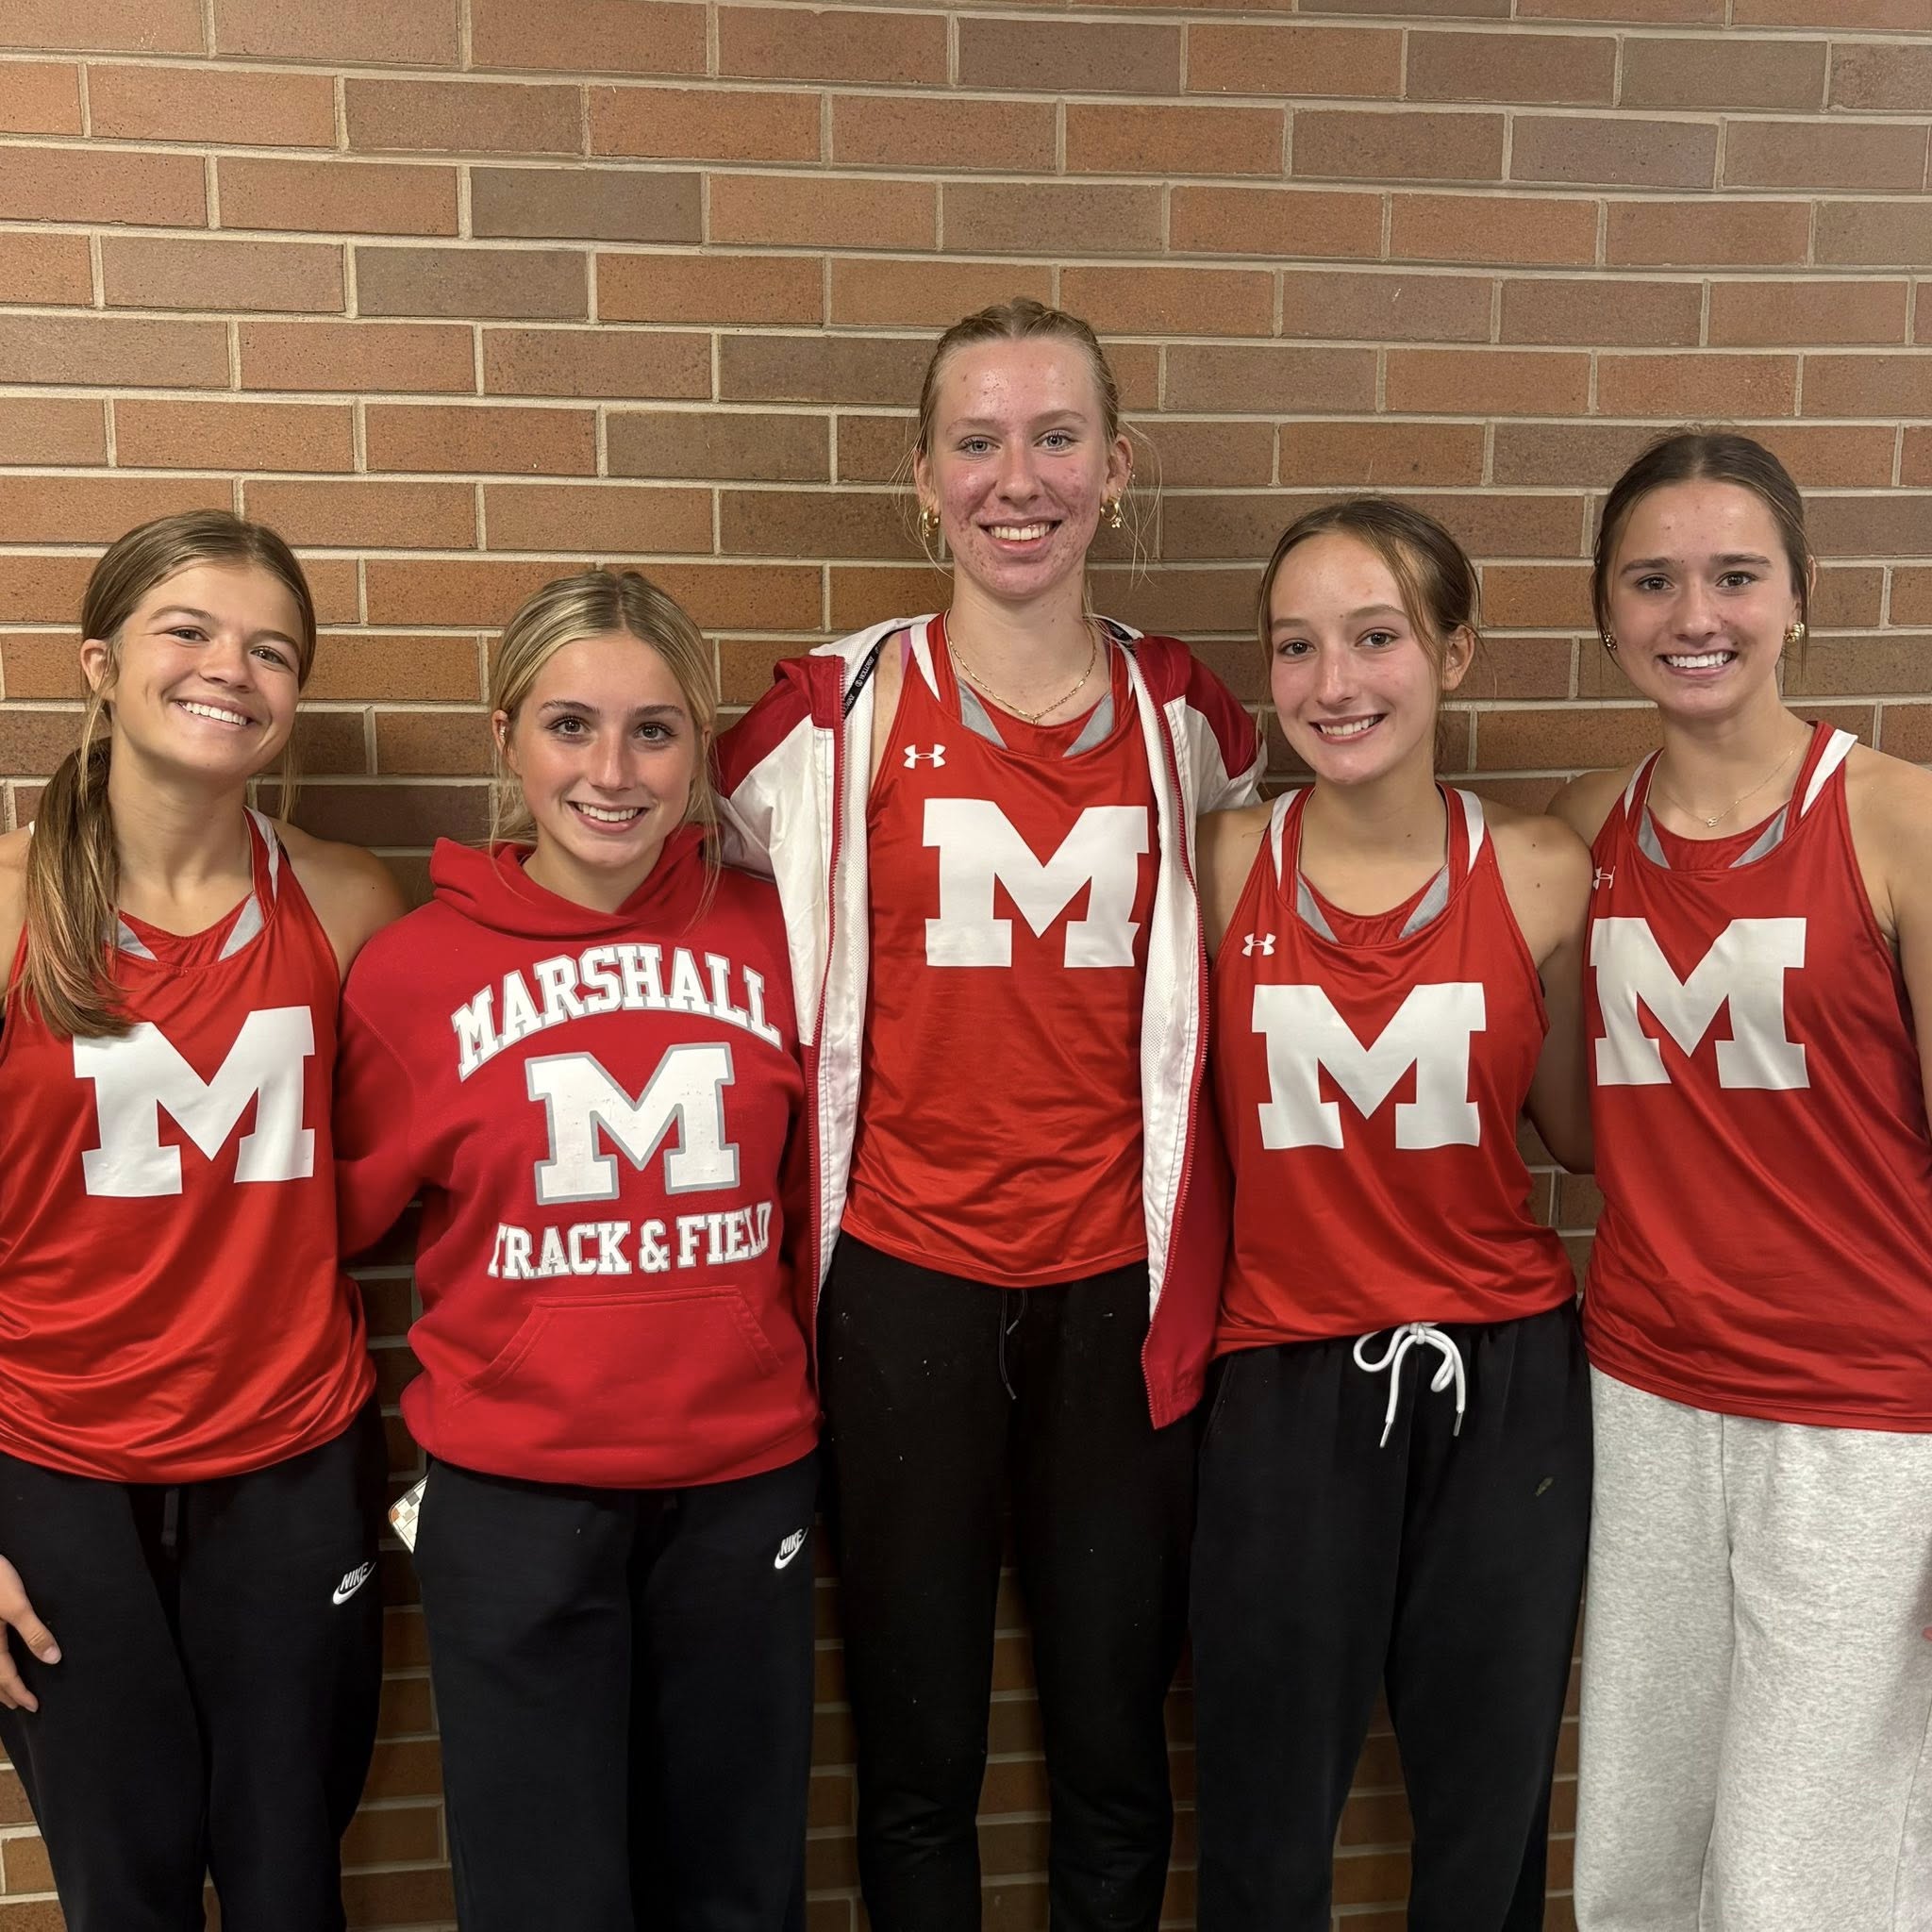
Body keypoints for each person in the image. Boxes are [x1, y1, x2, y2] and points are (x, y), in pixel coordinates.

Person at [715, 296, 1261, 1932]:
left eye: (1055, 437)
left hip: (1120, 1293)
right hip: (902, 1286)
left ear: (1117, 466)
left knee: (1115, 1749)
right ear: (921, 477)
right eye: (977, 441)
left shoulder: (1190, 718)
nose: (1017, 480)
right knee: (914, 1756)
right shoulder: (828, 716)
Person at [332, 569, 818, 1932]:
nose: (613, 772)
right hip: (515, 1497)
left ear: (698, 748)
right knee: (544, 1901)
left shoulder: (786, 934)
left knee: (738, 1894)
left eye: (654, 731)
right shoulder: (411, 972)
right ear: (506, 738)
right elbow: (332, 1221)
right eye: (570, 726)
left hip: (741, 1485)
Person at [1191, 498, 1594, 1932]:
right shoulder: (1219, 862)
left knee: (1486, 1814)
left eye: (1376, 638)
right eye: (1296, 647)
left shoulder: (1540, 869)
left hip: (1505, 1381)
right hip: (1283, 1372)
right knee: (1262, 1815)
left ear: (1455, 654)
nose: (1333, 683)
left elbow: (1577, 1134)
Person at [1550, 431, 1932, 1931]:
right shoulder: (1586, 828)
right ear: (1606, 612)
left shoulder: (1897, 819)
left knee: (1805, 1878)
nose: (1694, 614)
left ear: (1799, 596)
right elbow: (1582, 1132)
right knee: (1637, 1850)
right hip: (1645, 1393)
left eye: (1735, 576)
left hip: (1862, 1416)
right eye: (1653, 581)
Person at [0, 510, 403, 1932]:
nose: (231, 667)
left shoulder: (346, 903)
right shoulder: (10, 905)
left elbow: (394, 1176)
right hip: (56, 1472)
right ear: (99, 664)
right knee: (129, 1894)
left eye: (271, 650)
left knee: (292, 1885)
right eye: (188, 631)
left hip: (292, 1462)